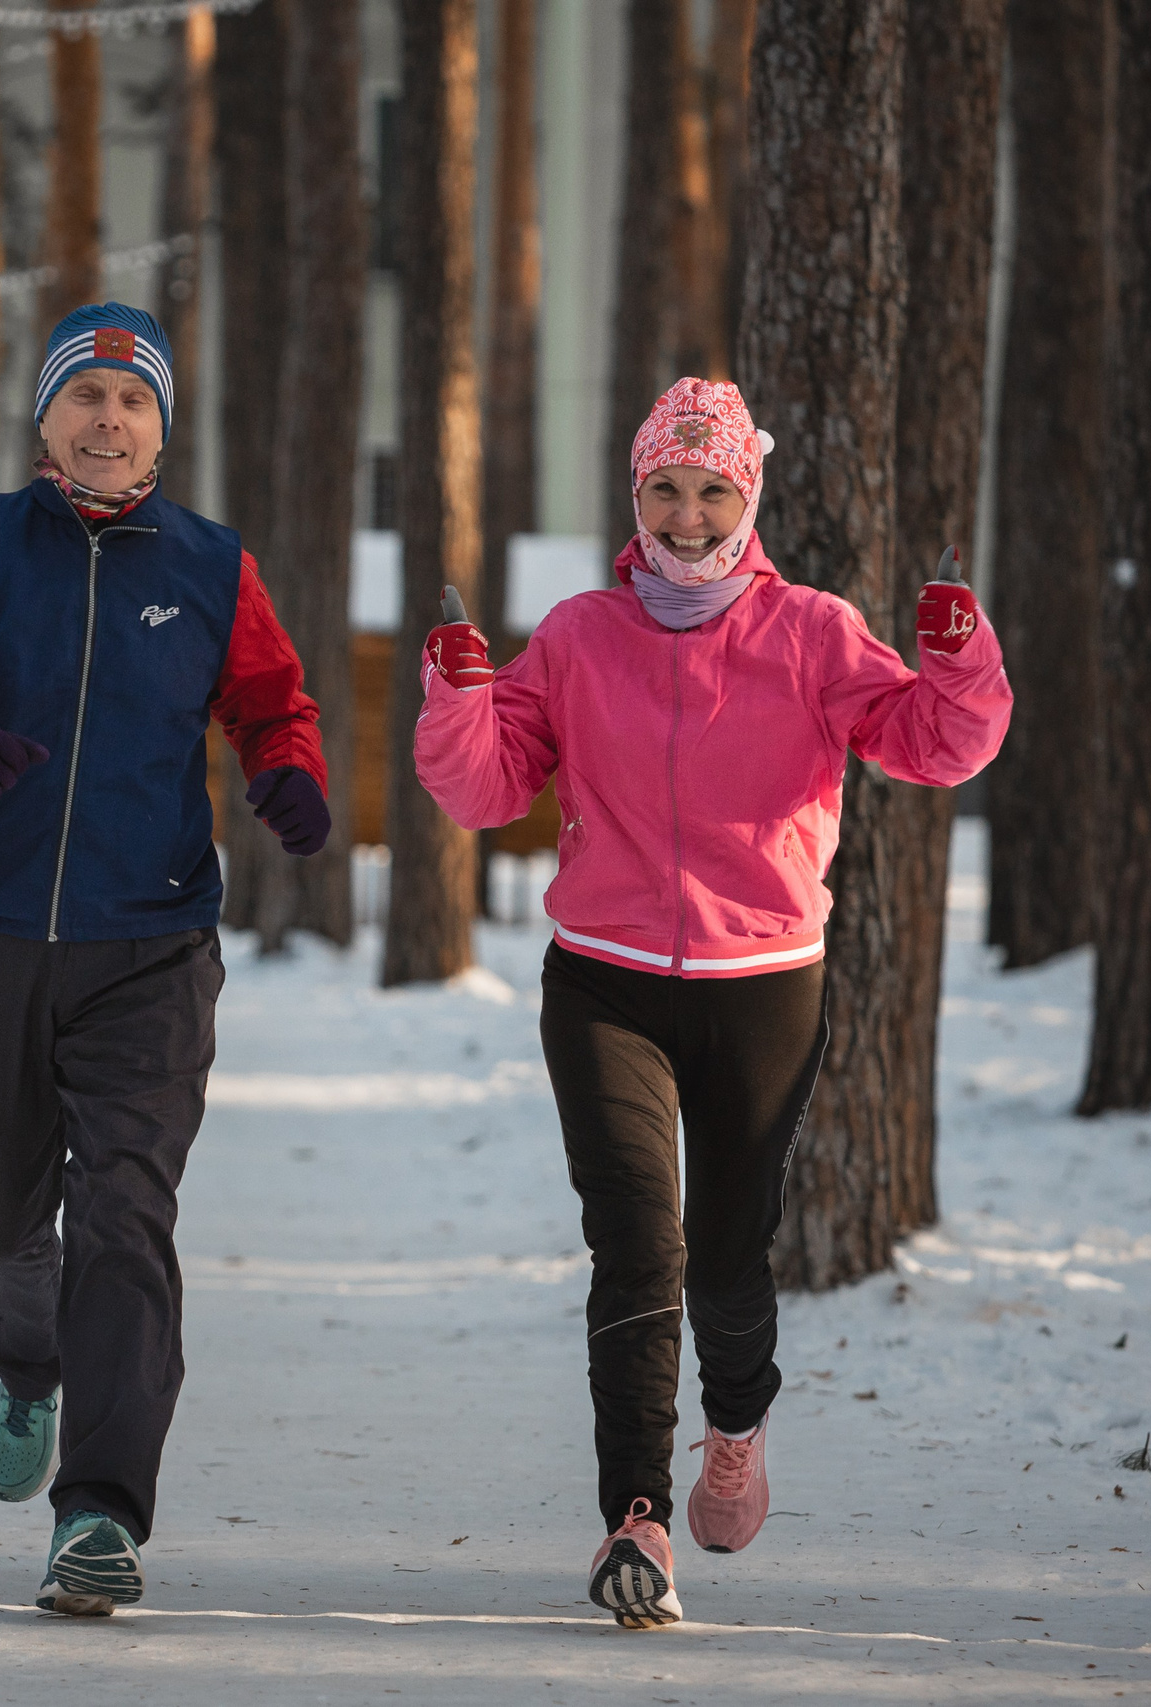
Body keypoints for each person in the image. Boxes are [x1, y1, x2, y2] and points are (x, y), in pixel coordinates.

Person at [414, 378, 1011, 1628]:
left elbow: (931, 744)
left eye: (711, 491)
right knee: (637, 1243)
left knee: (729, 1261)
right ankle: (633, 1516)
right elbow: (486, 791)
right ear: (635, 496)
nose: (687, 517)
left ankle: (733, 1428)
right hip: (602, 983)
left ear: (747, 499)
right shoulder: (577, 636)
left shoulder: (812, 631)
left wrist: (957, 657)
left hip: (762, 986)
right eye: (665, 491)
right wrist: (461, 700)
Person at [0, 302, 332, 1617]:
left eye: (136, 401)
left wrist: (287, 773)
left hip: (150, 945)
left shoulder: (214, 567)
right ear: (47, 418)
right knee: (3, 1222)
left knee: (123, 1214)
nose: (112, 421)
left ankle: (100, 1508)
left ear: (163, 427)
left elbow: (273, 701)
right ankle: (29, 1366)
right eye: (88, 396)